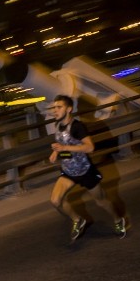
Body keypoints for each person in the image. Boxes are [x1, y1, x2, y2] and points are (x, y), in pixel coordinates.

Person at [48, 95, 127, 241]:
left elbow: (90, 147)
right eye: (54, 107)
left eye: (59, 107)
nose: (55, 110)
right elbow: (61, 140)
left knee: (101, 201)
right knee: (55, 201)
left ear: (69, 109)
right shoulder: (58, 125)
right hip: (68, 171)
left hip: (85, 171)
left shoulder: (78, 127)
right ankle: (78, 220)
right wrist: (55, 151)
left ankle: (118, 220)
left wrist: (64, 147)